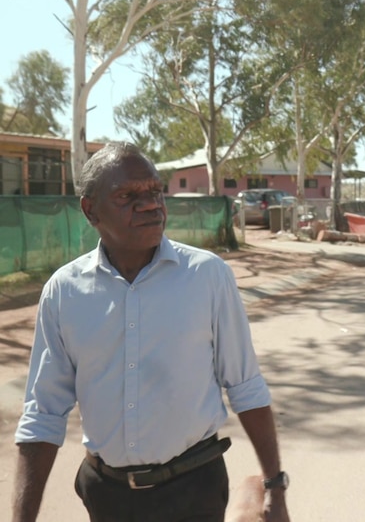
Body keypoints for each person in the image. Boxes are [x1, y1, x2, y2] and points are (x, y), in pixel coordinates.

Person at [12, 142, 291, 522]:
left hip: (195, 489)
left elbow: (245, 386)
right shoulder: (64, 292)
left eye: (155, 191)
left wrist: (275, 487)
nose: (150, 204)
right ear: (90, 209)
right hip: (106, 495)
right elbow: (43, 414)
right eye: (128, 195)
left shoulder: (207, 276)